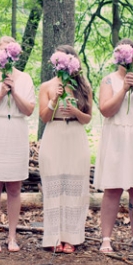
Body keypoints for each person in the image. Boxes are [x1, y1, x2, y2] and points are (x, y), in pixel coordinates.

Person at [94, 39, 133, 254]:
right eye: (123, 58)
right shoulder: (108, 81)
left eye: (131, 58)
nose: (127, 61)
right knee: (112, 188)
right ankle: (106, 238)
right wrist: (123, 89)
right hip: (116, 136)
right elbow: (106, 110)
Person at [0, 36, 36, 253]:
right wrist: (1, 92)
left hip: (16, 132)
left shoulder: (25, 78)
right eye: (2, 50)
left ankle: (12, 236)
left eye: (10, 51)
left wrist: (14, 91)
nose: (6, 55)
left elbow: (29, 109)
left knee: (14, 187)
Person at [38, 45, 92, 254]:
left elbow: (88, 118)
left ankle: (72, 237)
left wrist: (75, 111)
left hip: (76, 135)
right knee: (54, 184)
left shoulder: (83, 87)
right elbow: (43, 117)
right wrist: (53, 102)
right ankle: (53, 236)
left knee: (74, 187)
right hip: (54, 134)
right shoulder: (47, 86)